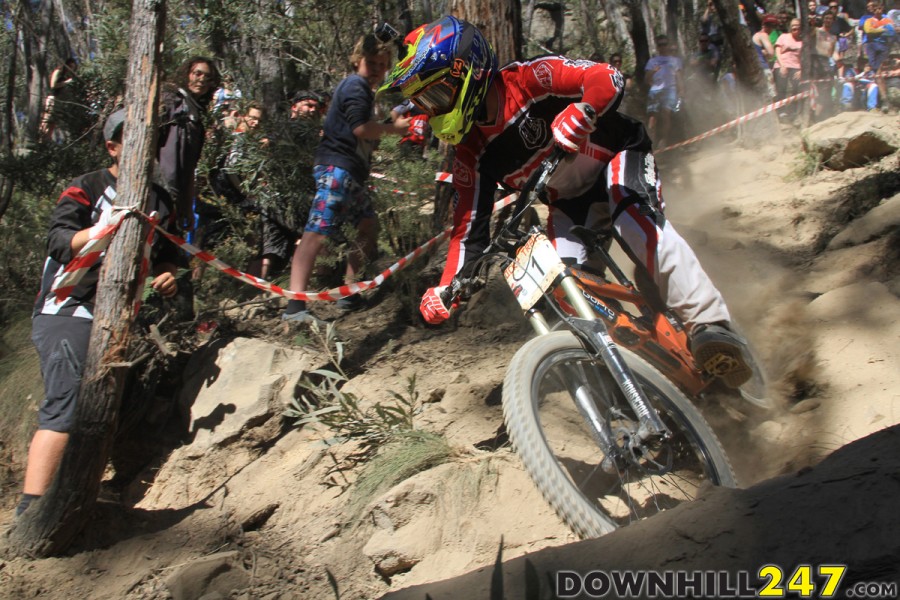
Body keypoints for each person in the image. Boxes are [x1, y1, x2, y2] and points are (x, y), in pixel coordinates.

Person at [379, 16, 754, 388]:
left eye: (436, 96)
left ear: (467, 71)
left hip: (618, 157)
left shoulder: (528, 79)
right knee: (563, 287)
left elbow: (604, 76)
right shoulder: (470, 152)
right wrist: (447, 287)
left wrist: (585, 108)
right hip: (570, 202)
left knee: (633, 220)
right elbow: (467, 229)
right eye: (423, 103)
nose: (431, 110)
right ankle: (646, 371)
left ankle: (711, 326)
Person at [16, 110, 181, 517]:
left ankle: (82, 494)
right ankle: (31, 509)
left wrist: (166, 277)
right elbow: (57, 241)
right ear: (113, 146)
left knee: (111, 404)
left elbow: (170, 255)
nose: (147, 149)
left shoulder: (160, 201)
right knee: (67, 401)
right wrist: (104, 229)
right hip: (65, 309)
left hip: (120, 316)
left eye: (153, 141)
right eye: (134, 139)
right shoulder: (85, 187)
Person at [281, 34, 412, 322]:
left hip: (350, 171)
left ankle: (350, 292)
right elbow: (360, 129)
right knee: (317, 230)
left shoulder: (363, 90)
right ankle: (295, 306)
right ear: (357, 61)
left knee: (366, 226)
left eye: (382, 64)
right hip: (337, 168)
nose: (377, 68)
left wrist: (388, 123)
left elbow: (365, 132)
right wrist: (395, 129)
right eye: (371, 62)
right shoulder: (355, 86)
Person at [158, 56, 221, 232]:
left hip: (176, 191)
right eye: (197, 74)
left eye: (207, 78)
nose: (201, 80)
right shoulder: (170, 100)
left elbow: (191, 165)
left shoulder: (197, 114)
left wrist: (186, 206)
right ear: (187, 74)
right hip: (159, 186)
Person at [644, 35, 684, 147]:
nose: (663, 47)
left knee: (666, 113)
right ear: (657, 47)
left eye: (664, 44)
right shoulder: (652, 61)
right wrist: (653, 71)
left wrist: (681, 90)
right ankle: (650, 141)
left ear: (668, 45)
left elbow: (679, 76)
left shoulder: (675, 60)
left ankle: (664, 140)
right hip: (655, 90)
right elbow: (647, 79)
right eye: (660, 45)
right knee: (653, 117)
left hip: (670, 89)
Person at [39, 58, 78, 141]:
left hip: (60, 101)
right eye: (70, 66)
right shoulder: (58, 72)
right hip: (52, 99)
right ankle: (40, 139)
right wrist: (66, 82)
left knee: (53, 123)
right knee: (47, 121)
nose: (71, 69)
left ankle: (46, 140)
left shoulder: (68, 76)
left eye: (73, 68)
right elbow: (53, 85)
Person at [775, 19, 804, 119]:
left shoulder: (802, 41)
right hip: (781, 65)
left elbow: (803, 57)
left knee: (797, 89)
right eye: (793, 26)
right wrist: (782, 65)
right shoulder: (783, 37)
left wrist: (801, 70)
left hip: (796, 66)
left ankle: (793, 111)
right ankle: (781, 111)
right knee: (781, 89)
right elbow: (778, 51)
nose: (795, 28)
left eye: (797, 26)